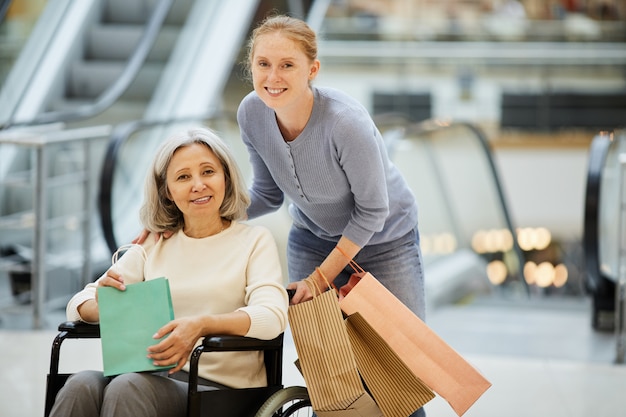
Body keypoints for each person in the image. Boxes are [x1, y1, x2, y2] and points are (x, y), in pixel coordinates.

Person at [239, 16, 426, 417]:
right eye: (263, 63)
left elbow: (372, 211)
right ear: (251, 65)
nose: (273, 76)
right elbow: (268, 196)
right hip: (311, 237)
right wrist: (197, 215)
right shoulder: (251, 115)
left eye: (287, 64)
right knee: (331, 372)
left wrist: (320, 278)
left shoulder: (344, 122)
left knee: (398, 372)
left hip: (386, 241)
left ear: (312, 69)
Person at [49, 128, 289, 417]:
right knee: (81, 384)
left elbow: (272, 316)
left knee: (128, 386)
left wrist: (201, 325)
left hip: (220, 389)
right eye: (183, 177)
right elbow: (76, 306)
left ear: (225, 177)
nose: (198, 185)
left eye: (208, 171)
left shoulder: (254, 241)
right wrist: (104, 305)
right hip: (149, 376)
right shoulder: (154, 242)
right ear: (167, 191)